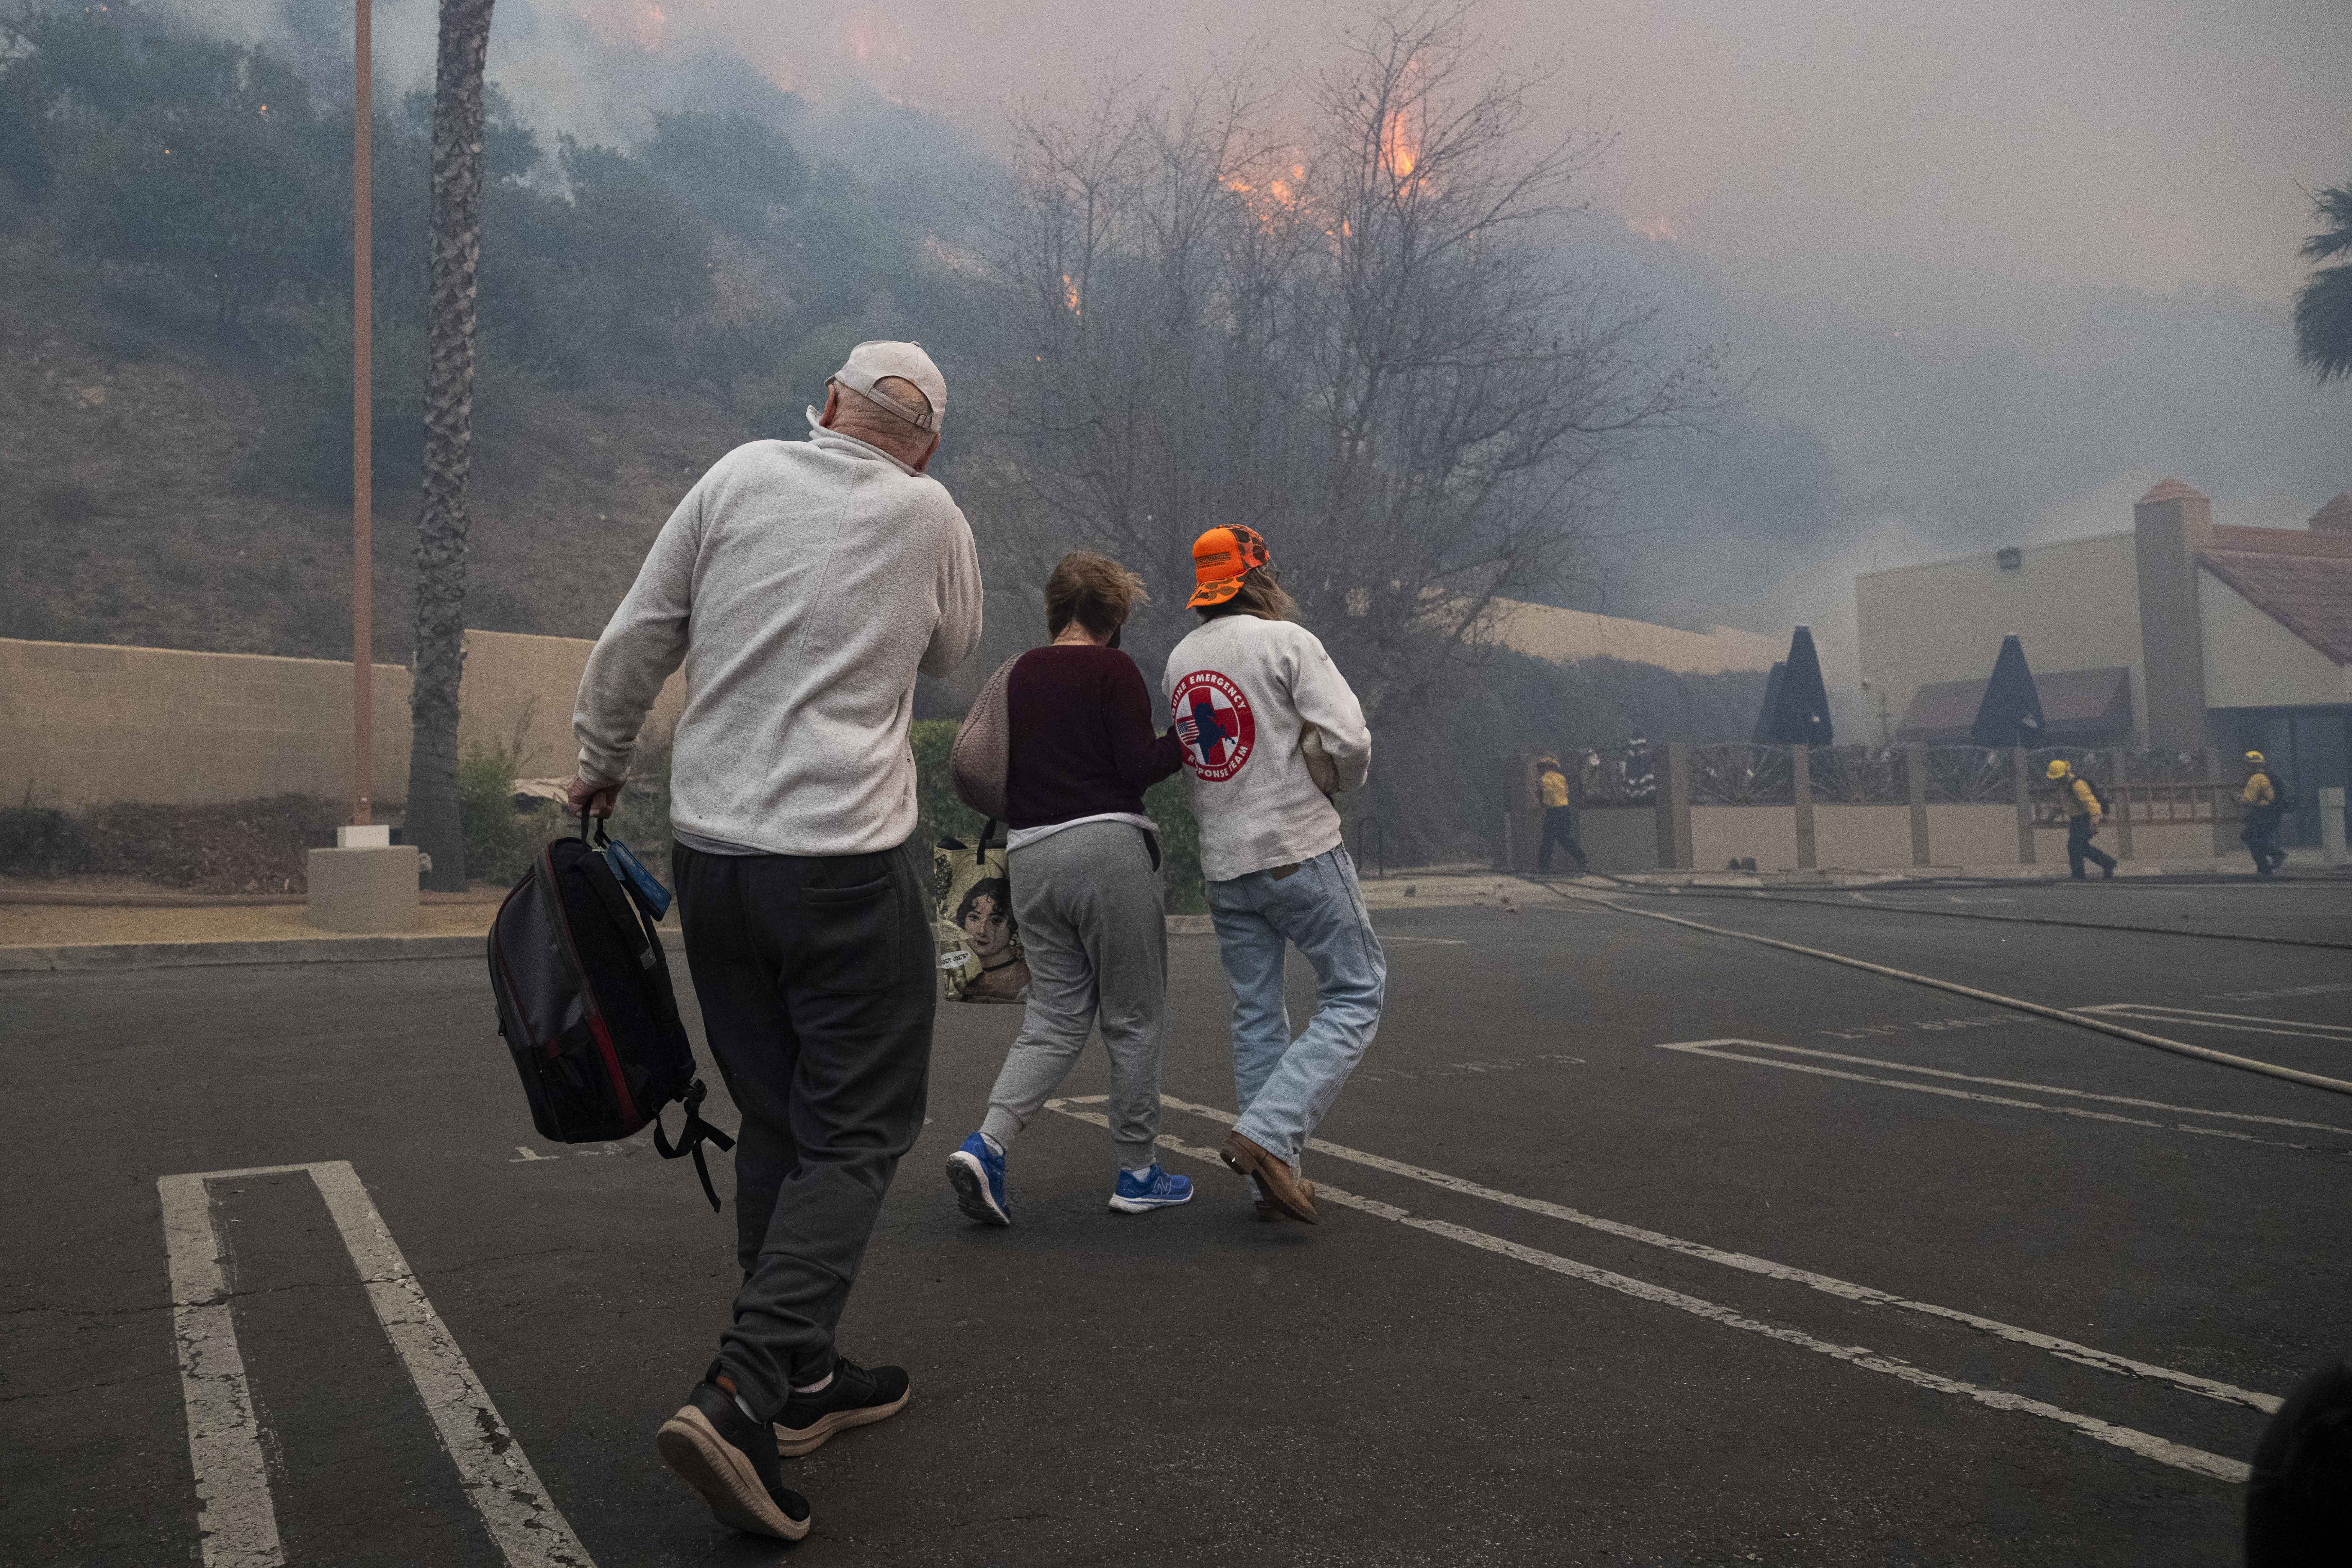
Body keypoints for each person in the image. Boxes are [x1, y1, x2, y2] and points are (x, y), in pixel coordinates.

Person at [568, 340, 981, 1542]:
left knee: (781, 1120)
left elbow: (640, 631)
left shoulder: (739, 473)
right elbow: (952, 654)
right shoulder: (930, 512)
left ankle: (801, 1378)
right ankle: (744, 1387)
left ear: (822, 409)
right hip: (845, 863)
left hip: (716, 860)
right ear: (926, 444)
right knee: (859, 1128)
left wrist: (601, 765)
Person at [946, 552, 1191, 1225]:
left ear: (1055, 609)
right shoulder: (1113, 669)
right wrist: (1185, 740)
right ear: (1112, 616)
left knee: (1052, 1016)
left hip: (1029, 855)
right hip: (1109, 847)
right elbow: (1138, 766)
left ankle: (986, 1143)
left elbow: (974, 760)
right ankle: (1138, 1170)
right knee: (1134, 1015)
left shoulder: (1016, 672)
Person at [1163, 526, 1380, 1225]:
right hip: (1299, 849)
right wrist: (1337, 782)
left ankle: (1269, 1181)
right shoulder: (1287, 642)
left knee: (1258, 1015)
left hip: (1225, 865)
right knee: (1355, 993)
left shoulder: (1178, 660)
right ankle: (1268, 1134)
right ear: (1256, 576)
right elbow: (1348, 739)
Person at [2045, 758, 2115, 880]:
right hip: (2076, 819)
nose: (2057, 780)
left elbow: (2092, 804)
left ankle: (2080, 875)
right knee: (2080, 847)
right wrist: (2052, 815)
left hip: (2085, 818)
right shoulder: (2064, 785)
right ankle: (2107, 864)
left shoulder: (2078, 785)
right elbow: (2066, 804)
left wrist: (2094, 823)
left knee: (2074, 846)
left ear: (2066, 773)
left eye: (2059, 777)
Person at [1533, 753, 1587, 874]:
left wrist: (1543, 804)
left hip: (1553, 811)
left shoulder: (1545, 778)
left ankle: (1543, 868)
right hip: (1565, 810)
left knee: (1548, 840)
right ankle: (1582, 858)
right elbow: (1566, 793)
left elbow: (1546, 792)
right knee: (1564, 838)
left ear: (1544, 768)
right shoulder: (1561, 778)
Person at [2242, 750, 2290, 876]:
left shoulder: (2256, 779)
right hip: (2273, 813)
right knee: (2257, 840)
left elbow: (2249, 800)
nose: (2245, 768)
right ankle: (2264, 870)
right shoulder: (2269, 776)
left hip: (2264, 814)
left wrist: (2237, 799)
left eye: (2247, 765)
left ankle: (2277, 855)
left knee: (2250, 838)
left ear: (2254, 766)